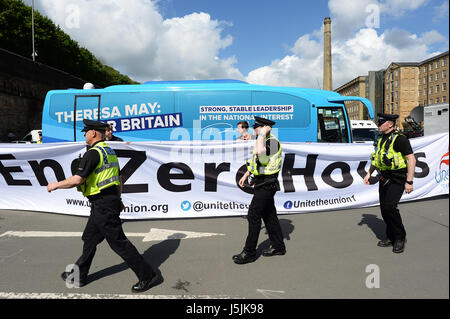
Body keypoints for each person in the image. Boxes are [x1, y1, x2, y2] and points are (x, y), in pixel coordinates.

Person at [47, 119, 158, 292]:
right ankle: (78, 276)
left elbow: (77, 180)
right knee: (89, 238)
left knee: (118, 243)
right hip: (106, 201)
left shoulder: (92, 153)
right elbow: (118, 179)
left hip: (103, 204)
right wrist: (118, 199)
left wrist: (56, 185)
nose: (84, 134)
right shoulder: (109, 151)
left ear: (93, 133)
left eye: (86, 131)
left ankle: (147, 275)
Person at [233, 116, 286, 264]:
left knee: (253, 215)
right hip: (262, 182)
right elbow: (255, 162)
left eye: (257, 127)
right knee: (269, 215)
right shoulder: (262, 140)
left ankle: (249, 252)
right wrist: (246, 174)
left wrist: (262, 135)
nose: (254, 130)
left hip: (267, 184)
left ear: (263, 128)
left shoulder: (272, 142)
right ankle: (278, 247)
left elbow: (262, 158)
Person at [363, 113, 416, 254]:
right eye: (379, 122)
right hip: (383, 178)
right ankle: (391, 236)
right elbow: (376, 158)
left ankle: (400, 237)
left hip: (397, 178)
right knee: (384, 210)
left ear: (390, 124)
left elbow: (411, 159)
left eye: (381, 122)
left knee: (390, 207)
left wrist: (409, 181)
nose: (379, 124)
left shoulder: (400, 139)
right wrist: (369, 173)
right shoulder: (380, 138)